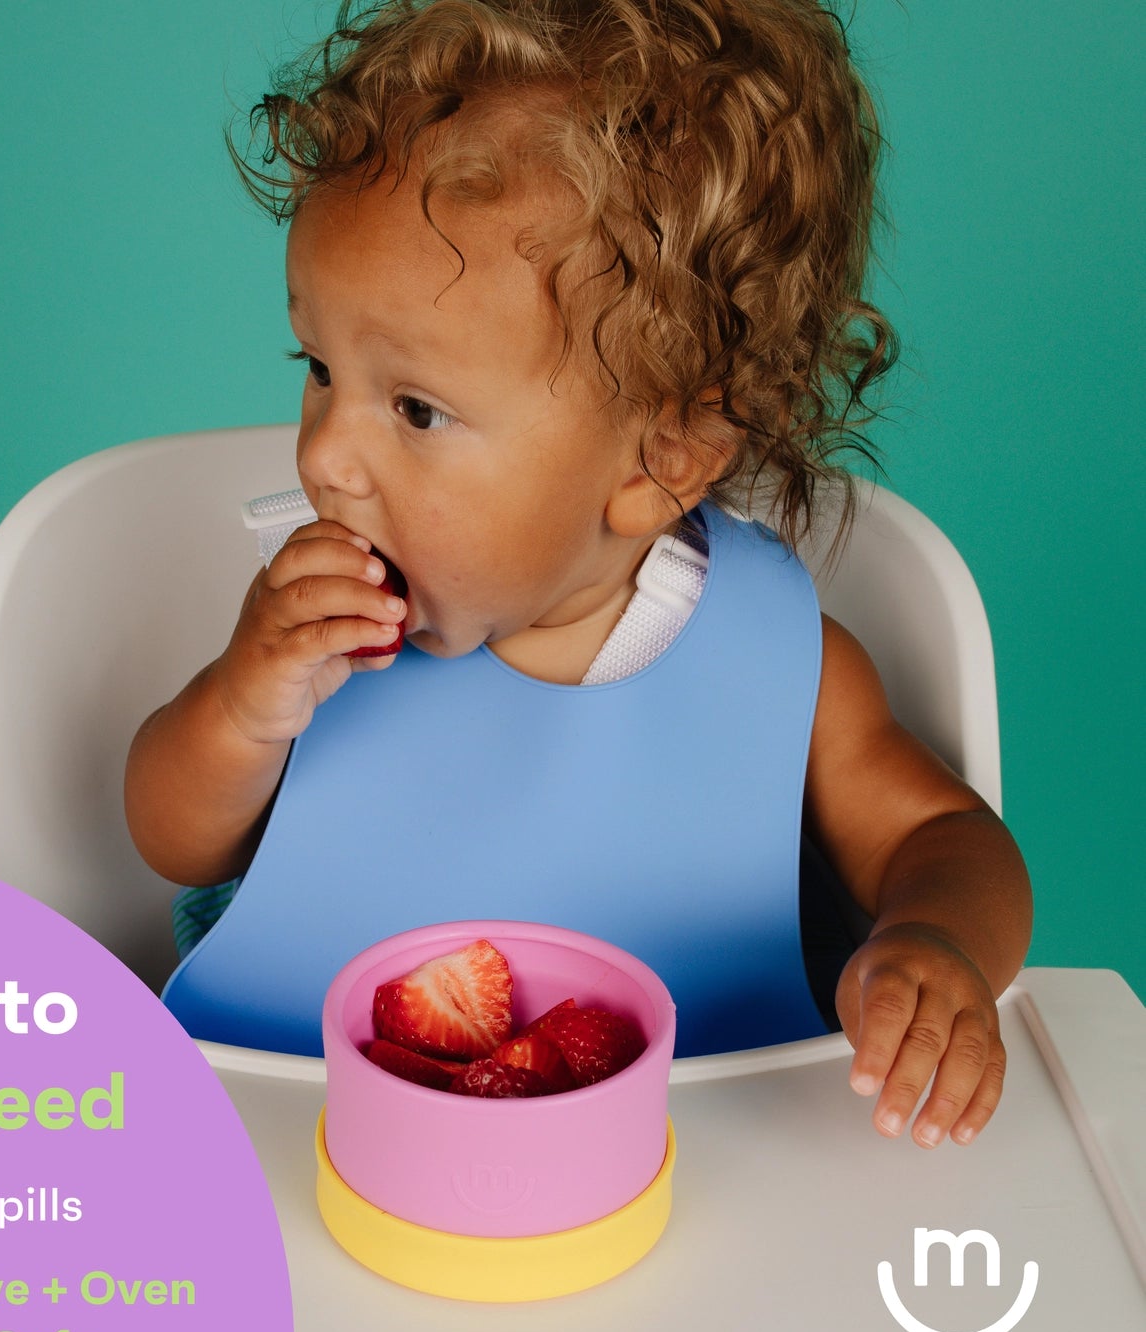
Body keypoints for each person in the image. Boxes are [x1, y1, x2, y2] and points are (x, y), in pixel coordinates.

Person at [124, 0, 1031, 1148]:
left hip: (701, 1170)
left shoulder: (777, 662)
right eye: (316, 367)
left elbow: (940, 838)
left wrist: (935, 944)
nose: (324, 456)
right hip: (291, 1133)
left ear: (664, 459)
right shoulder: (307, 623)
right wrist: (239, 710)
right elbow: (171, 838)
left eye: (414, 408)